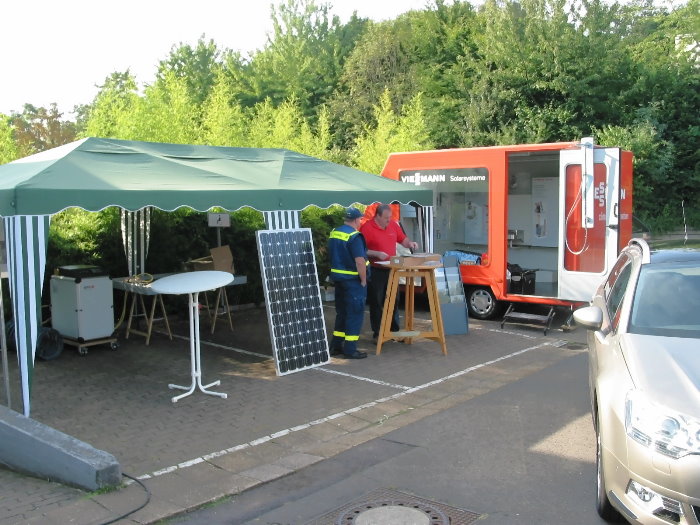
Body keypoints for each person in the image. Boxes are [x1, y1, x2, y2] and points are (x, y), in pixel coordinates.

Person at [360, 203, 419, 340]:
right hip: (376, 270)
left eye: (390, 217)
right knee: (377, 301)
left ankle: (394, 331)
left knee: (394, 300)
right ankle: (378, 333)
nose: (389, 220)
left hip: (392, 270)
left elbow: (402, 239)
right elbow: (361, 250)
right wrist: (376, 254)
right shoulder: (367, 228)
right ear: (377, 216)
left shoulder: (393, 225)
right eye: (386, 218)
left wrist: (410, 244)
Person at [327, 207, 369, 359]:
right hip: (353, 282)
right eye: (360, 219)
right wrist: (363, 280)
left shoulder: (334, 232)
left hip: (339, 280)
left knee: (342, 313)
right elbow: (360, 261)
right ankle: (350, 350)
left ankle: (336, 346)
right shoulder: (354, 236)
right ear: (357, 220)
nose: (361, 221)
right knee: (354, 314)